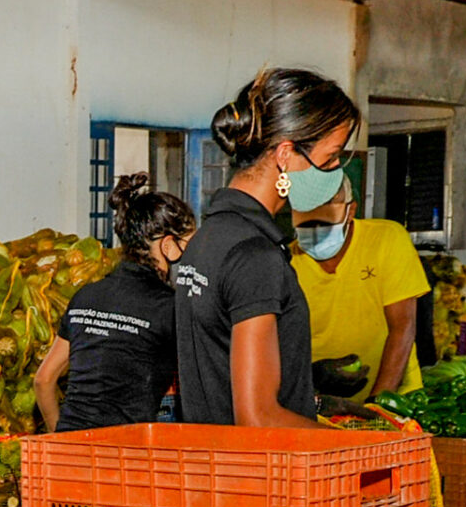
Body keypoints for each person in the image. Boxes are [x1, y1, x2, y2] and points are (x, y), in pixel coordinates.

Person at [173, 67, 360, 427]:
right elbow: (258, 418)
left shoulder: (209, 238)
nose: (336, 169)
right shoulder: (254, 255)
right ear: (285, 155)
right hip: (265, 478)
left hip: (217, 467)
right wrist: (355, 445)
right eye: (330, 158)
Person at [35, 174, 194, 432]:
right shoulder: (170, 308)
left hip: (72, 454)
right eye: (190, 244)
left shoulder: (85, 296)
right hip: (123, 455)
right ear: (168, 246)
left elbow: (44, 380)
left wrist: (60, 439)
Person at [289, 179, 430, 398]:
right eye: (307, 226)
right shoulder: (286, 263)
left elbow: (403, 326)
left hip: (395, 400)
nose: (316, 233)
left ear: (350, 210)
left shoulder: (387, 239)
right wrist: (312, 378)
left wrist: (379, 403)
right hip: (320, 405)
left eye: (326, 225)